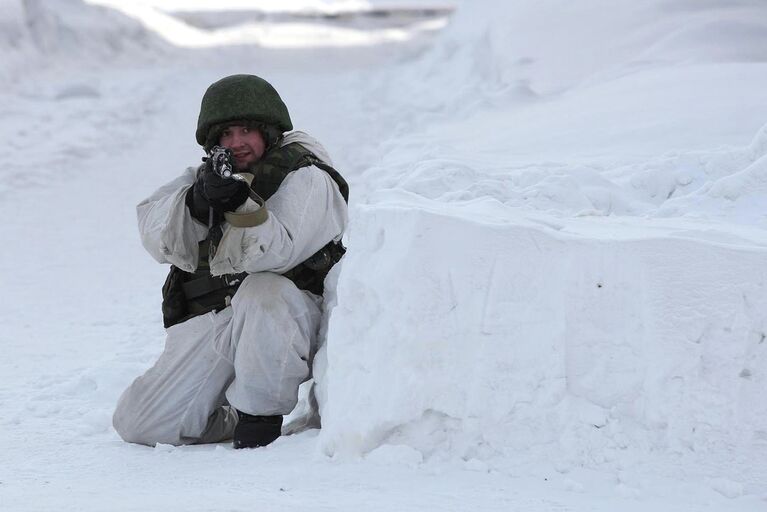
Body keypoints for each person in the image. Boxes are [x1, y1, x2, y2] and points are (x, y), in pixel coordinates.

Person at [112, 74, 349, 449]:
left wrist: (240, 206)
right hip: (226, 317)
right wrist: (195, 203)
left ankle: (260, 415)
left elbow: (276, 253)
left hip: (293, 319)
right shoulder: (212, 177)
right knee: (139, 423)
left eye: (246, 131)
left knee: (263, 290)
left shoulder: (307, 178)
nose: (236, 143)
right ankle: (231, 415)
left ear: (269, 132)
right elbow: (152, 229)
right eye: (225, 135)